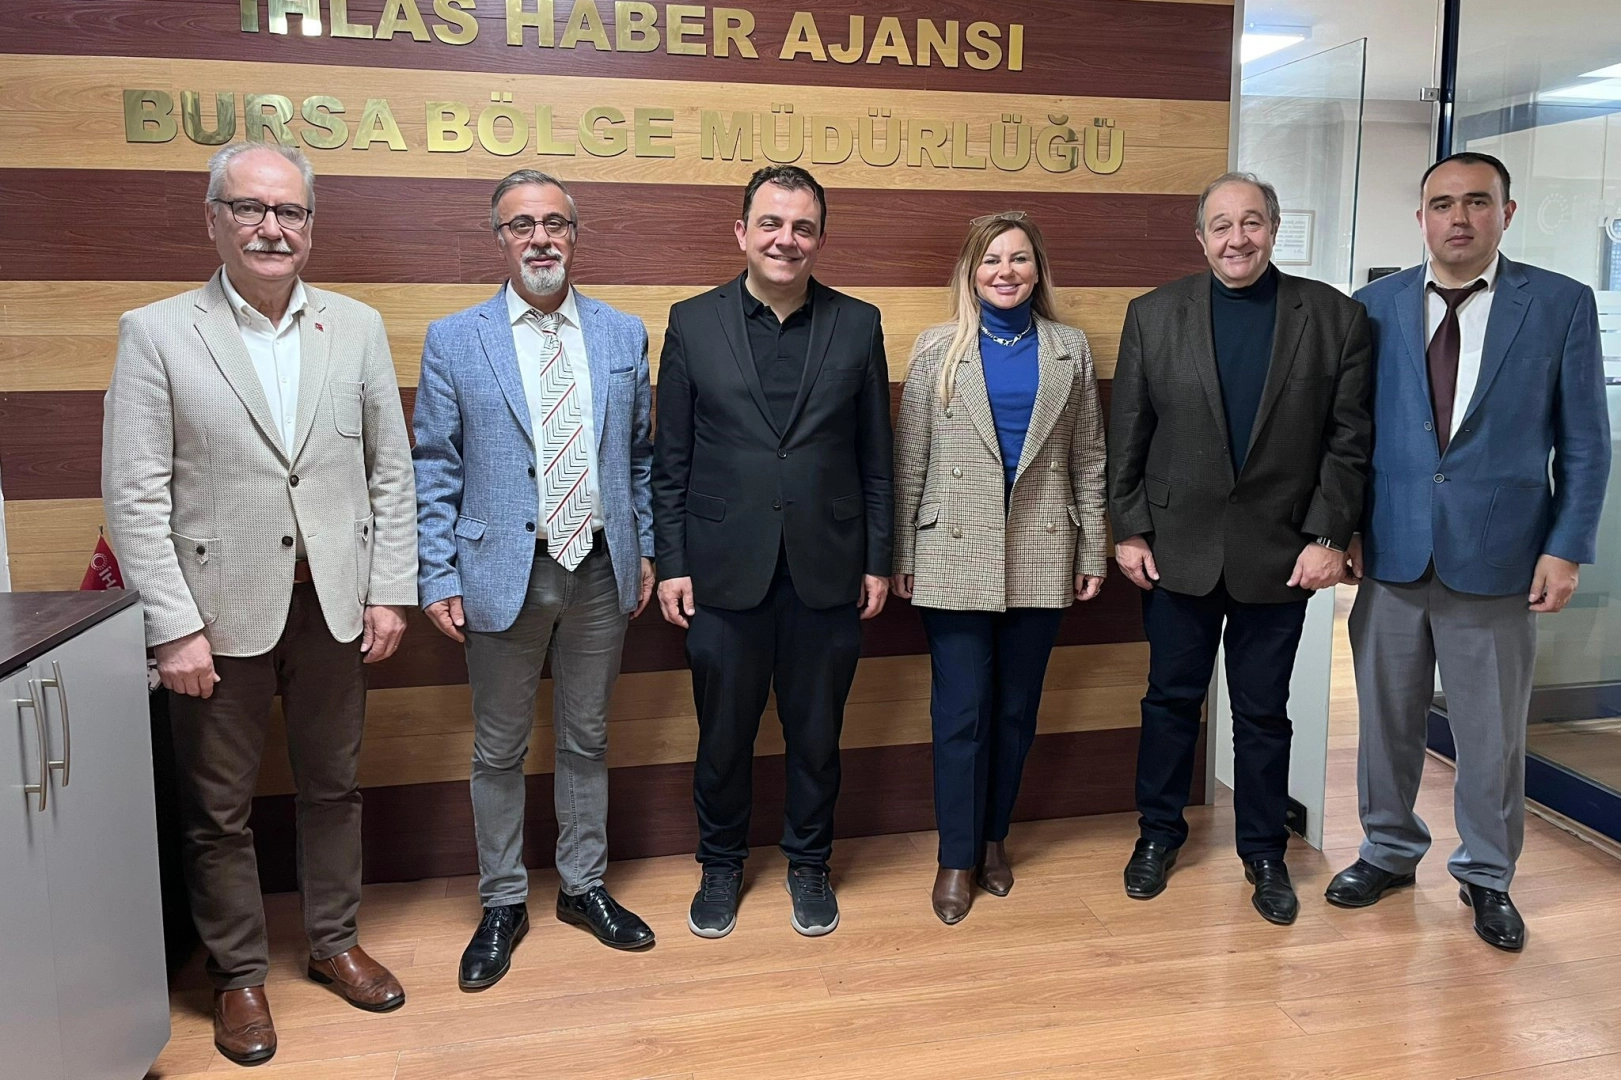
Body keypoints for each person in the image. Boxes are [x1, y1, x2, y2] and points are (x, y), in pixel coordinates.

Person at [101, 142, 417, 1067]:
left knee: (334, 789)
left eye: (290, 212)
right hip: (214, 619)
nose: (272, 228)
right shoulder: (156, 332)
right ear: (214, 220)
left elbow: (389, 472)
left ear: (311, 225)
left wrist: (389, 590)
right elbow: (134, 496)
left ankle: (333, 943)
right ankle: (238, 975)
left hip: (333, 609)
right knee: (218, 812)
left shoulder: (355, 326)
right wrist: (172, 629)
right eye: (250, 208)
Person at [1327, 152, 1612, 951]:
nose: (1458, 218)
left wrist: (1565, 547)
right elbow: (1350, 435)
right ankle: (1387, 851)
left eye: (1476, 202)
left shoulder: (1557, 304)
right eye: (1442, 204)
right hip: (1390, 552)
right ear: (1420, 216)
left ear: (1505, 213)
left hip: (1500, 557)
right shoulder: (1371, 307)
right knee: (1385, 721)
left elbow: (1584, 442)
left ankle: (1486, 873)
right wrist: (1344, 528)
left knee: (1490, 734)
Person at [414, 169, 659, 990]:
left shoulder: (623, 335)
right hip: (499, 570)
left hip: (599, 568)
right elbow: (434, 465)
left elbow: (640, 458)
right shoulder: (456, 339)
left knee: (587, 738)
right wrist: (437, 572)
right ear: (499, 238)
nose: (540, 238)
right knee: (498, 748)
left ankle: (583, 888)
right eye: (522, 224)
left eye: (555, 223)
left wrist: (645, 548)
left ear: (574, 235)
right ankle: (503, 901)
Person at [1106, 172, 1372, 926]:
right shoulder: (1154, 314)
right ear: (1200, 237)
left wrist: (1328, 536)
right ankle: (1158, 835)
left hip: (1280, 555)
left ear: (1274, 229)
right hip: (1175, 551)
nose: (1237, 239)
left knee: (1262, 714)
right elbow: (1128, 430)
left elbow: (1348, 442)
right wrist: (1128, 528)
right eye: (1220, 225)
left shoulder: (1335, 318)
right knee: (1168, 703)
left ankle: (1264, 852)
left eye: (1251, 222)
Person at [652, 164, 894, 939]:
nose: (785, 239)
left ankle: (808, 864)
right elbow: (670, 460)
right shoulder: (692, 322)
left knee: (816, 736)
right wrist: (672, 562)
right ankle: (720, 864)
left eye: (801, 227)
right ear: (742, 232)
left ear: (819, 238)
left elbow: (876, 456)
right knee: (722, 737)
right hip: (722, 569)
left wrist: (877, 558)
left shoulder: (858, 323)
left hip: (829, 566)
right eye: (770, 223)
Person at [891, 211, 1107, 924]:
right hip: (952, 552)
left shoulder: (1069, 348)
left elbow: (1089, 457)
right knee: (960, 713)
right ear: (971, 271)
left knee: (1014, 713)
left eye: (1018, 259)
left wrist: (1092, 549)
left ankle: (992, 840)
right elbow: (910, 458)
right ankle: (955, 856)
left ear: (1037, 270)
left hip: (1042, 549)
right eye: (991, 260)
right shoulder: (937, 347)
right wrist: (902, 553)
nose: (1005, 272)